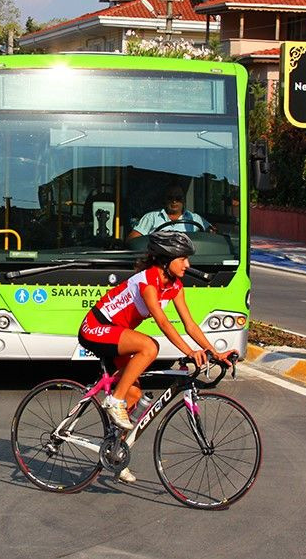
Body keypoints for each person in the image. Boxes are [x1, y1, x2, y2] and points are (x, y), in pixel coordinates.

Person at [77, 231, 236, 483]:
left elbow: (190, 325)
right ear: (167, 259)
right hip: (96, 327)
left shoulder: (174, 285)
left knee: (135, 395)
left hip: (118, 333)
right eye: (183, 259)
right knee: (149, 347)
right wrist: (189, 352)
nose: (188, 264)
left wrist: (215, 352)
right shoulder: (148, 281)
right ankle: (113, 400)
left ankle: (115, 455)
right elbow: (162, 322)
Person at [128, 184, 212, 238]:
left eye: (178, 198)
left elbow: (212, 234)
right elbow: (133, 239)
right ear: (165, 200)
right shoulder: (151, 217)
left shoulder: (195, 218)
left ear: (184, 200)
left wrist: (212, 231)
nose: (174, 201)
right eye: (170, 198)